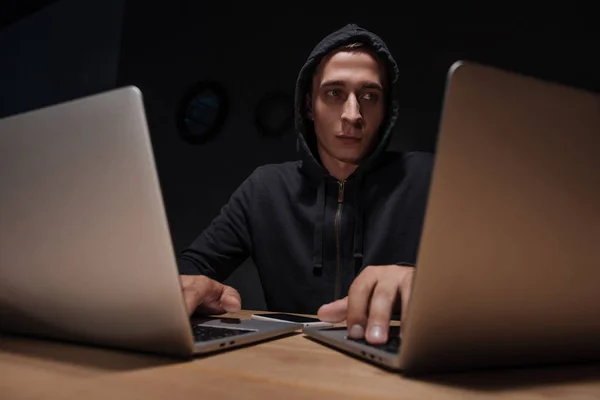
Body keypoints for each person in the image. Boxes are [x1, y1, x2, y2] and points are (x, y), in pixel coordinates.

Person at [177, 23, 434, 344]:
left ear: (386, 111)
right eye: (335, 93)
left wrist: (427, 282)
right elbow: (192, 267)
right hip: (291, 364)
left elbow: (489, 282)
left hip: (394, 362)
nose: (353, 113)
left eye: (369, 96)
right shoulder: (265, 188)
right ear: (309, 105)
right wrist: (194, 284)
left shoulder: (429, 178)